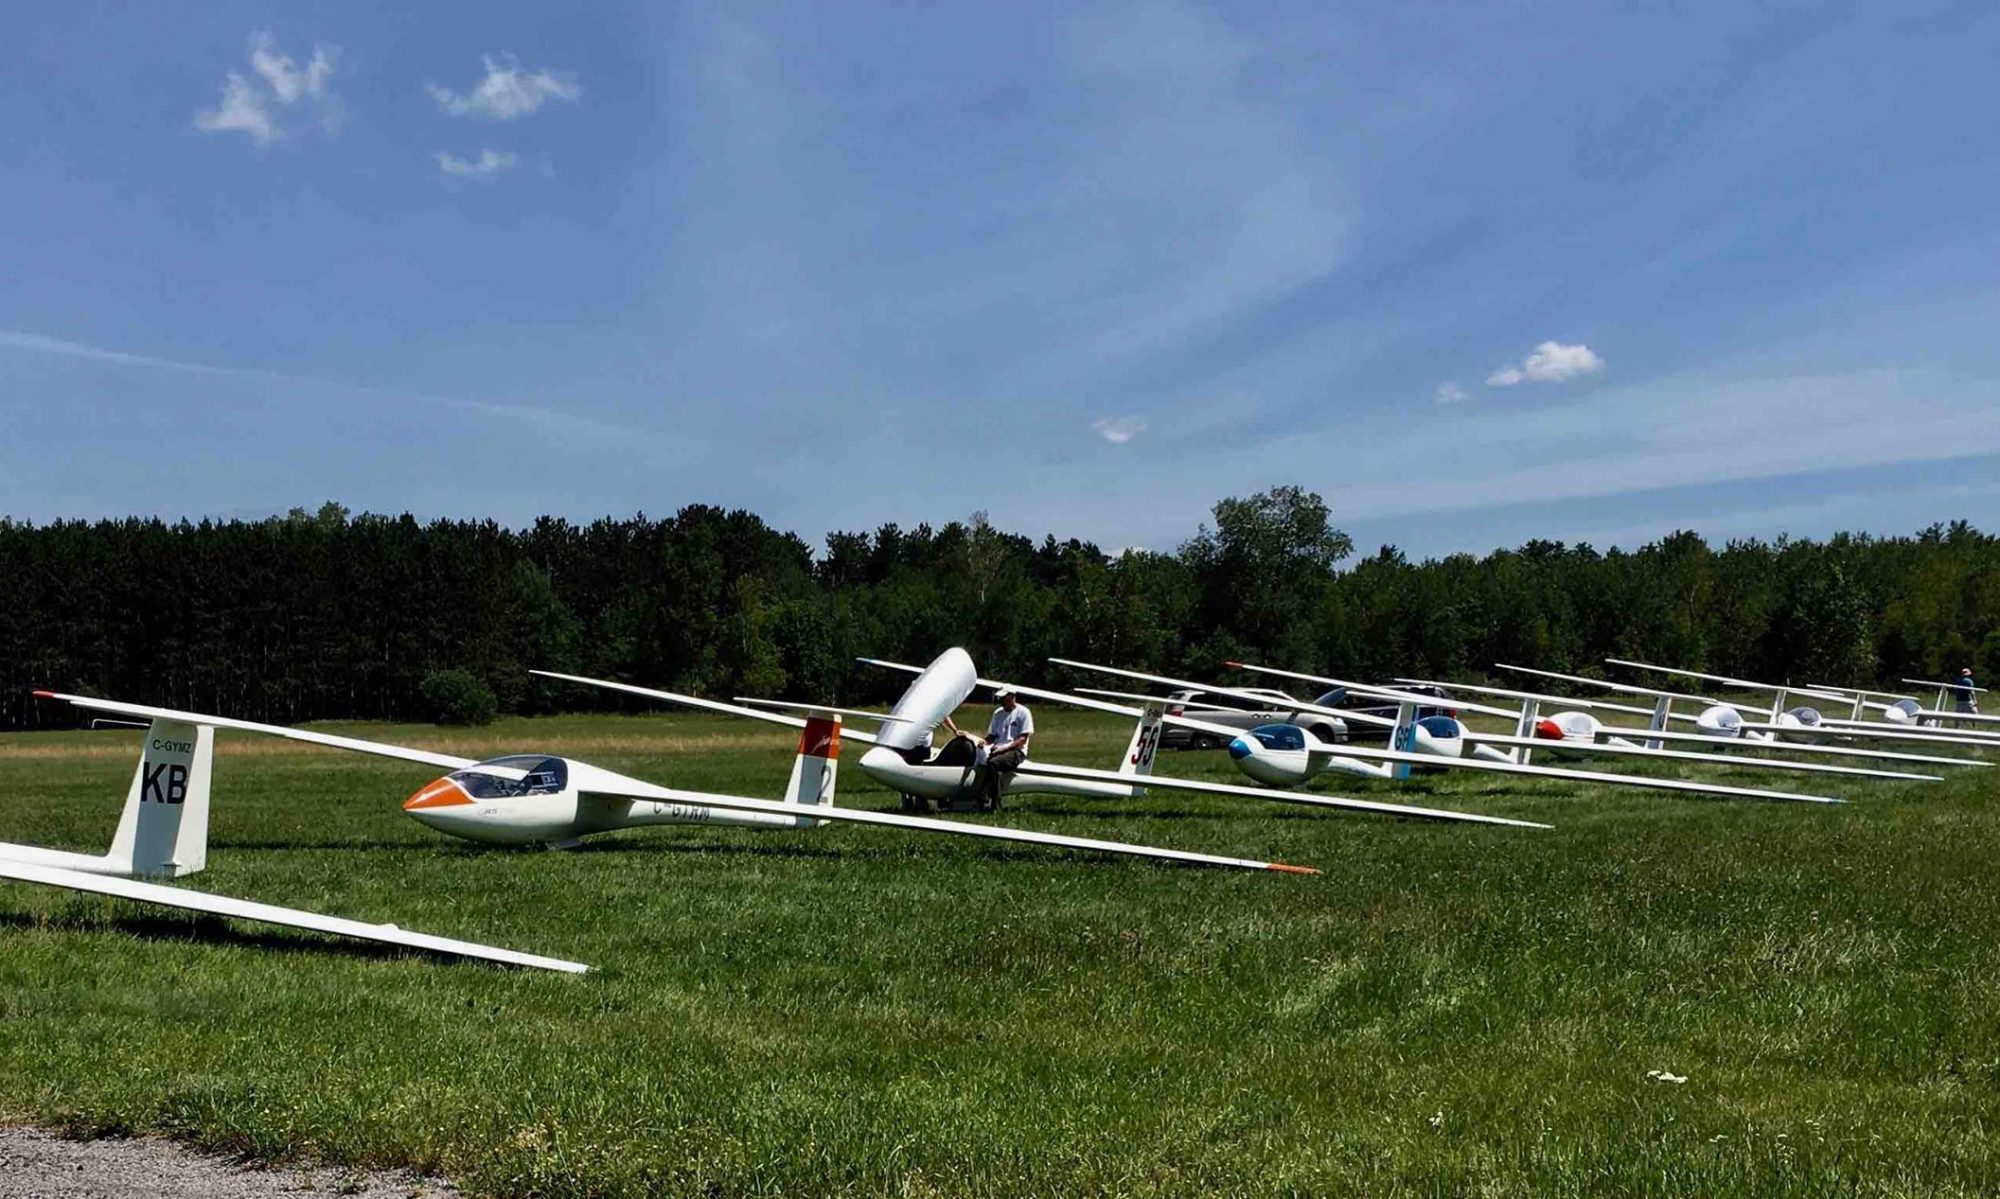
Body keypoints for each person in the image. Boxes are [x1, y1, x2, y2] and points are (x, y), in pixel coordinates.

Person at [945, 685, 1034, 809]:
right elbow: (992, 736)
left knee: (992, 764)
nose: (1001, 701)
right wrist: (983, 742)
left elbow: (1022, 739)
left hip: (1016, 751)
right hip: (997, 750)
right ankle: (995, 804)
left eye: (1004, 698)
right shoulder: (998, 713)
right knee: (990, 767)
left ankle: (983, 796)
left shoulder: (1023, 712)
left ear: (1012, 697)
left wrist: (1004, 749)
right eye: (1000, 698)